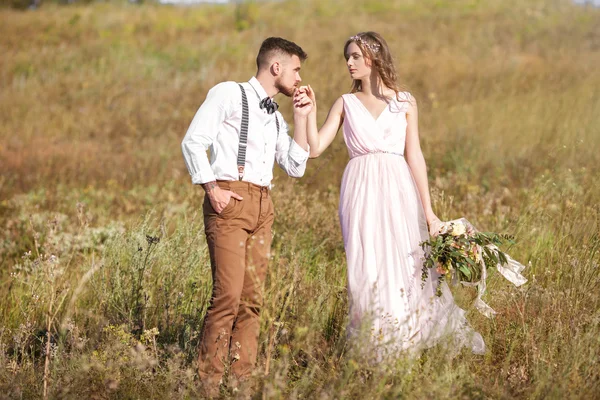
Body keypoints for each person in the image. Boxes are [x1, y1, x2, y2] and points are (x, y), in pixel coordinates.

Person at [293, 32, 485, 355]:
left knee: (406, 262)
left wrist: (430, 212)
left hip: (398, 190)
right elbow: (314, 149)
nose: (349, 63)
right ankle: (375, 341)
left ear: (373, 56)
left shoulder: (405, 102)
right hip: (360, 191)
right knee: (366, 267)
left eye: (355, 56)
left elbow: (415, 156)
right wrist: (308, 112)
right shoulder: (345, 103)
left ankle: (407, 337)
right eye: (347, 58)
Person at [181, 37, 313, 396]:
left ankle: (242, 384)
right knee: (228, 296)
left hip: (263, 206)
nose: (299, 77)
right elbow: (194, 141)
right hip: (231, 200)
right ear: (276, 67)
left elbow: (295, 166)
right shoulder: (228, 93)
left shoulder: (276, 115)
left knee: (252, 300)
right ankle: (208, 385)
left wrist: (301, 117)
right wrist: (213, 189)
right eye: (296, 69)